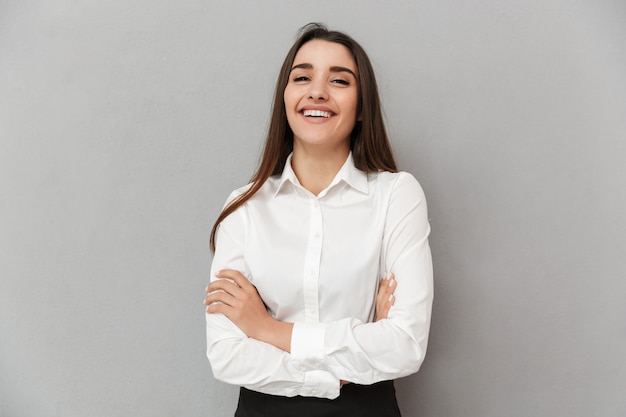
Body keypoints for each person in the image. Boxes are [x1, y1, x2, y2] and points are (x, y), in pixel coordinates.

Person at [204, 23, 433, 417]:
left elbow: (404, 346)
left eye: (339, 80)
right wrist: (346, 364)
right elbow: (227, 355)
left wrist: (268, 330)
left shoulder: (396, 195)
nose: (317, 91)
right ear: (286, 97)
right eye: (303, 77)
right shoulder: (244, 206)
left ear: (362, 107)